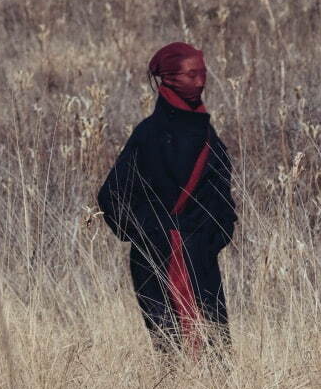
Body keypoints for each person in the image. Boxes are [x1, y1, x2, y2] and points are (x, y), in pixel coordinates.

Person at [96, 41, 235, 353]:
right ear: (169, 79)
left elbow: (223, 198)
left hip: (199, 256)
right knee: (170, 348)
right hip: (155, 256)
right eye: (191, 75)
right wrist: (149, 234)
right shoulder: (148, 135)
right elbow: (111, 195)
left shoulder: (208, 135)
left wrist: (214, 237)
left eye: (202, 73)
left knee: (215, 348)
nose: (200, 81)